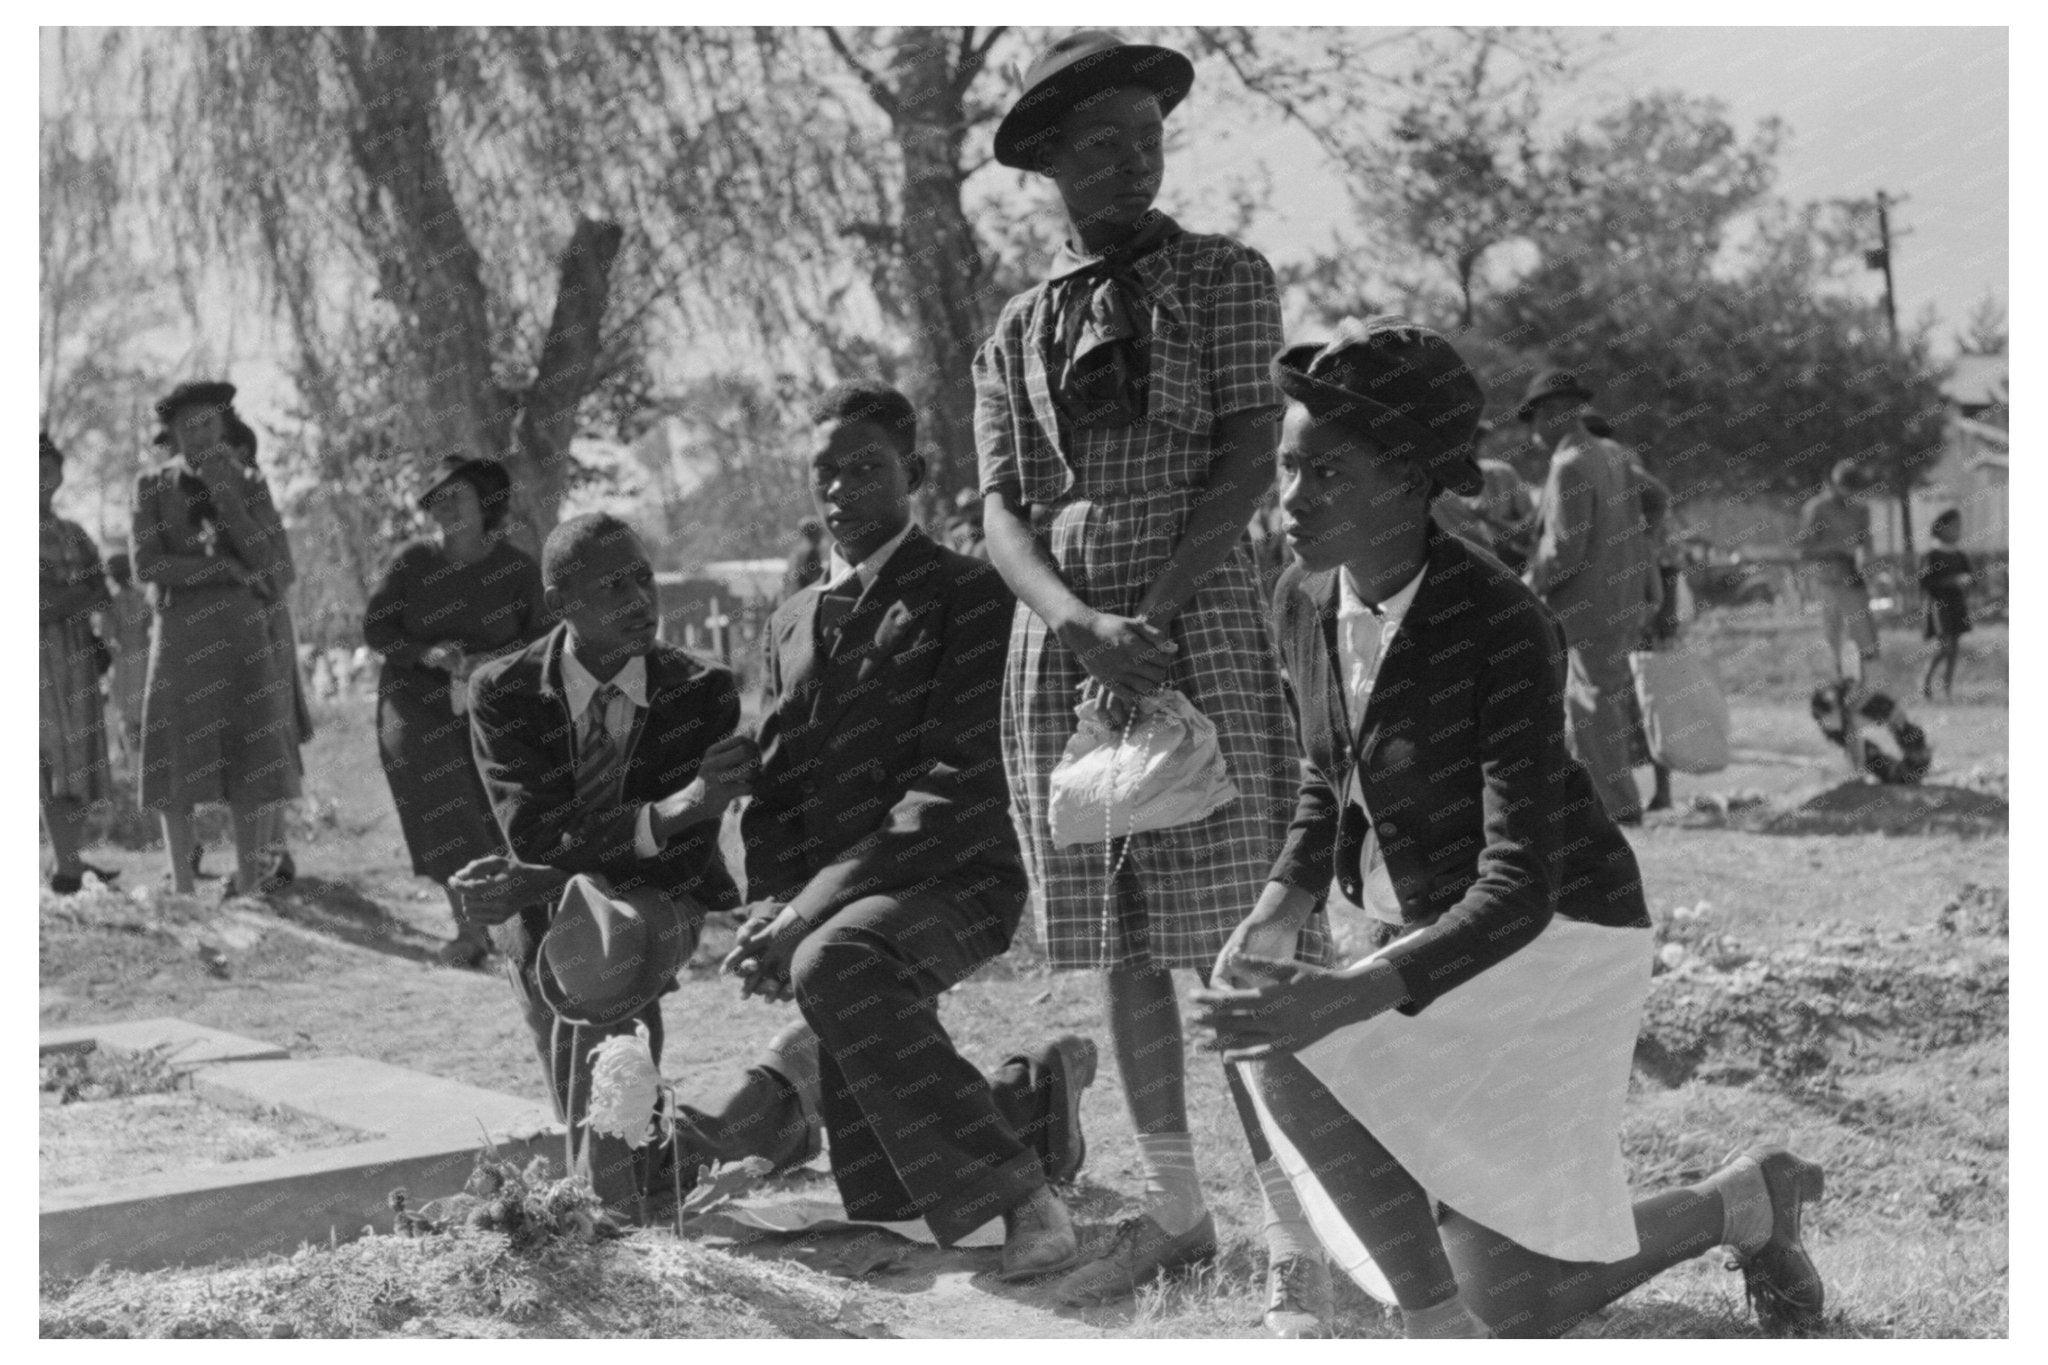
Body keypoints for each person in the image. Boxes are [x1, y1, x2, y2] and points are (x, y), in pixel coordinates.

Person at [1193, 316, 1828, 1339]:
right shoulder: (1299, 597)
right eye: (1286, 469)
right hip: (1431, 945)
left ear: (1408, 479)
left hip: (1553, 944)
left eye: (1325, 473)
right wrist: (1278, 906)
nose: (1292, 499)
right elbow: (1328, 775)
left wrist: (1351, 992)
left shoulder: (1496, 624)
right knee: (1507, 1294)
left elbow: (1519, 883)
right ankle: (1740, 1202)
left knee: (1297, 1053)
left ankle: (1439, 1335)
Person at [974, 31, 1331, 1332]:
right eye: (1102, 145)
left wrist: (1154, 613)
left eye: (1149, 139)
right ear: (1053, 165)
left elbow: (1246, 452)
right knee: (1126, 942)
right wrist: (1077, 624)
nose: (1133, 162)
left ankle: (1300, 1225)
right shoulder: (1015, 329)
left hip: (1199, 628)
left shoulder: (1226, 279)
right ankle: (1179, 1214)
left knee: (1236, 935)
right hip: (1065, 654)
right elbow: (1002, 503)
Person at [728, 380, 1096, 1280]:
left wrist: (809, 915)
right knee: (888, 1198)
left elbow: (954, 784)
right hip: (836, 906)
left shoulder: (968, 593)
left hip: (955, 879)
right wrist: (773, 906)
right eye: (827, 472)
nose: (843, 489)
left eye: (867, 467)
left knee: (838, 961)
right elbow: (776, 788)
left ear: (916, 475)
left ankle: (1026, 1200)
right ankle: (1032, 1097)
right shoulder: (788, 621)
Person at [453, 513, 757, 1212]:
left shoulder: (701, 690)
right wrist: (673, 807)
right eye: (612, 587)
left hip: (664, 898)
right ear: (562, 605)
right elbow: (534, 832)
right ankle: (779, 1100)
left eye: (643, 579)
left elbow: (685, 853)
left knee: (604, 965)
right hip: (537, 915)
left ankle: (601, 1223)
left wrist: (663, 826)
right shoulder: (502, 692)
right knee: (608, 1112)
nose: (638, 601)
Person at [363, 456, 551, 967]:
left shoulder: (516, 568)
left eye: (457, 496)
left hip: (494, 699)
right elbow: (378, 630)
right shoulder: (412, 563)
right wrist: (426, 654)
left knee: (498, 804)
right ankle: (468, 931)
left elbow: (544, 636)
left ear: (485, 503)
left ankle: (515, 924)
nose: (445, 507)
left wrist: (496, 660)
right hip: (416, 700)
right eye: (437, 499)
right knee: (442, 801)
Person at [132, 382, 304, 897]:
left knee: (252, 753)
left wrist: (226, 494)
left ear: (224, 425)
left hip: (243, 635)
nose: (200, 436)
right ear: (173, 434)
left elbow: (273, 566)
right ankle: (183, 886)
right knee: (174, 754)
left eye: (208, 423)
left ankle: (250, 886)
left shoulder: (250, 482)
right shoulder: (152, 487)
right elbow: (148, 564)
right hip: (181, 637)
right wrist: (218, 567)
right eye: (188, 428)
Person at [1517, 369, 1661, 825]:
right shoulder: (1611, 455)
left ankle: (1617, 807)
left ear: (1555, 414)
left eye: (1535, 417)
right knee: (1598, 705)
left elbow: (1565, 550)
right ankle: (1600, 803)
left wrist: (1525, 585)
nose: (1532, 430)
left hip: (1585, 607)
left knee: (1591, 708)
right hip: (1619, 598)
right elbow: (1646, 508)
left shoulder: (1570, 464)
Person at [222, 414, 313, 891]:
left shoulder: (252, 493)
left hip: (265, 626)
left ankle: (267, 855)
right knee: (249, 741)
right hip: (230, 631)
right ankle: (265, 853)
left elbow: (280, 571)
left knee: (268, 735)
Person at [40, 431, 118, 894]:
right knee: (47, 757)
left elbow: (101, 592)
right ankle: (65, 864)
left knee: (77, 760)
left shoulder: (74, 534)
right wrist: (71, 597)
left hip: (75, 656)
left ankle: (68, 863)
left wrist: (63, 597)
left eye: (46, 467)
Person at [1795, 458, 1880, 687]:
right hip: (1827, 579)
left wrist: (1869, 564)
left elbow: (1867, 543)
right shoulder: (1818, 509)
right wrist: (1837, 549)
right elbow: (1805, 549)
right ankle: (1837, 683)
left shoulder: (1861, 510)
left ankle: (1860, 686)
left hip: (1853, 578)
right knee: (1833, 637)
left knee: (1861, 635)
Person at [100, 550, 153, 777]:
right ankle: (147, 766)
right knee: (146, 713)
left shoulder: (111, 603)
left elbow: (107, 636)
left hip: (122, 663)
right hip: (145, 659)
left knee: (126, 716)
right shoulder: (144, 597)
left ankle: (133, 767)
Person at [1918, 509, 1973, 701]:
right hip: (1939, 606)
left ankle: (1947, 688)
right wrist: (1951, 581)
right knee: (1945, 647)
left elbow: (1971, 576)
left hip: (1957, 604)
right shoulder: (1932, 555)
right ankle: (1926, 679)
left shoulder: (1959, 555)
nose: (1957, 531)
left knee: (1954, 648)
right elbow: (1925, 582)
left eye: (1959, 527)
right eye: (1953, 527)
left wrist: (1967, 581)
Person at [778, 515, 827, 602]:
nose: (822, 535)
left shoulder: (796, 552)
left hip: (792, 599)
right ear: (815, 533)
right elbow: (816, 581)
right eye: (819, 531)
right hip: (805, 600)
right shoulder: (812, 552)